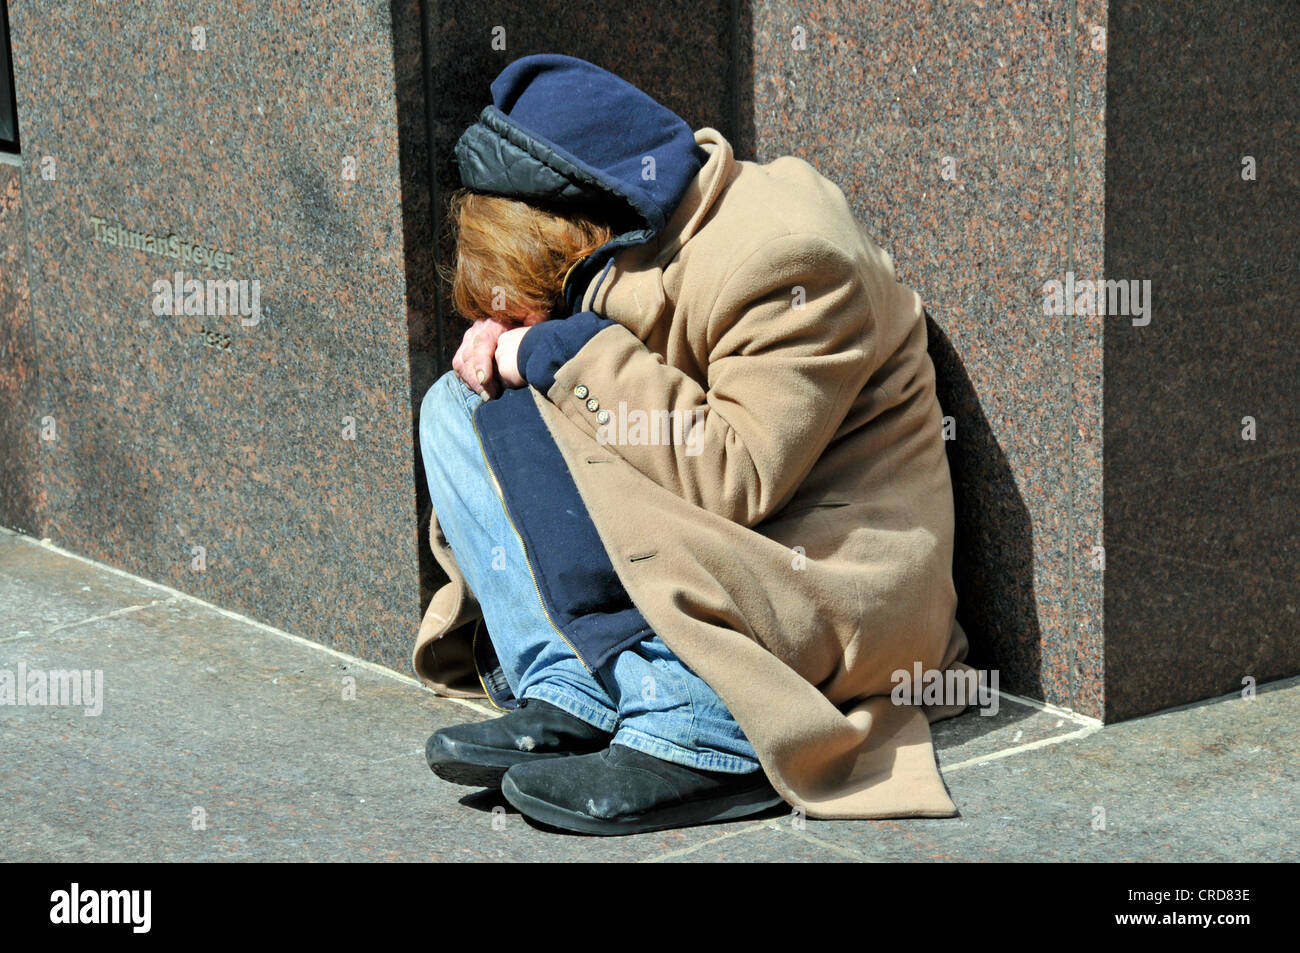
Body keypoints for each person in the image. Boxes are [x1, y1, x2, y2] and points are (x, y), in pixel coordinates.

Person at [414, 54, 973, 835]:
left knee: (521, 396)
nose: (527, 321)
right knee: (460, 406)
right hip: (710, 544)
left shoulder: (789, 258)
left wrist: (553, 350)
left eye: (539, 295)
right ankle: (574, 685)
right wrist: (520, 343)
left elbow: (736, 474)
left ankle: (706, 725)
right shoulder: (646, 235)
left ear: (592, 241)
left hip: (818, 575)